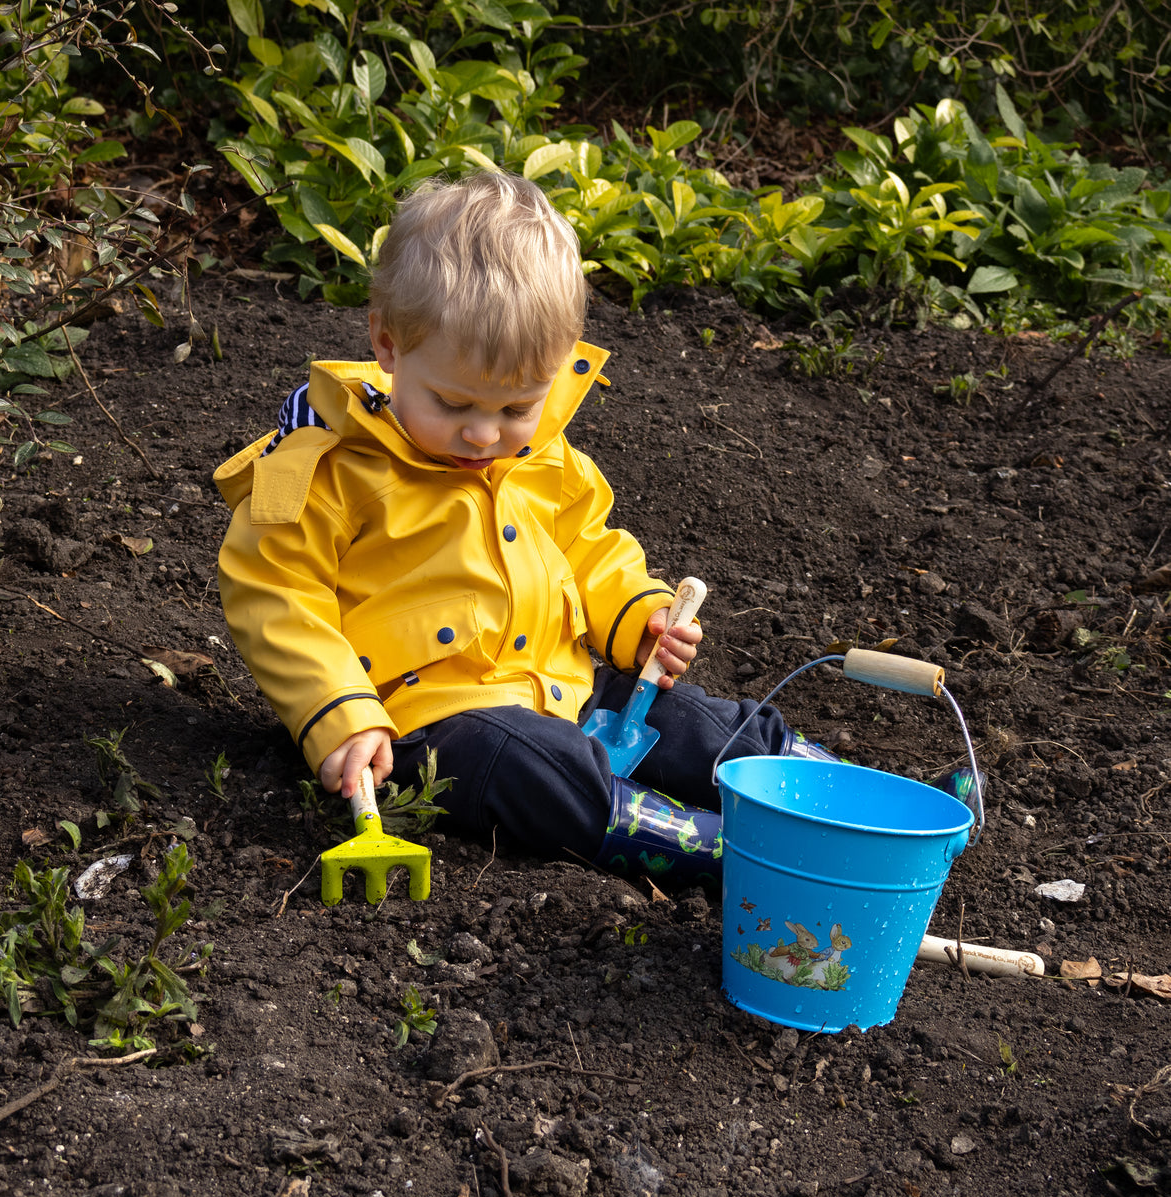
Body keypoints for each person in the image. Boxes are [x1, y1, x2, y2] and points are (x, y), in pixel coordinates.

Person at [213, 171, 906, 886]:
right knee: (545, 770)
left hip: (564, 690)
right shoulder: (324, 469)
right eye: (453, 404)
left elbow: (588, 547)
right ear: (388, 345)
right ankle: (728, 853)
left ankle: (862, 813)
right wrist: (339, 713)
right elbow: (275, 595)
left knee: (702, 723)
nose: (484, 433)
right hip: (431, 721)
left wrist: (639, 617)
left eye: (518, 407)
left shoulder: (544, 456)